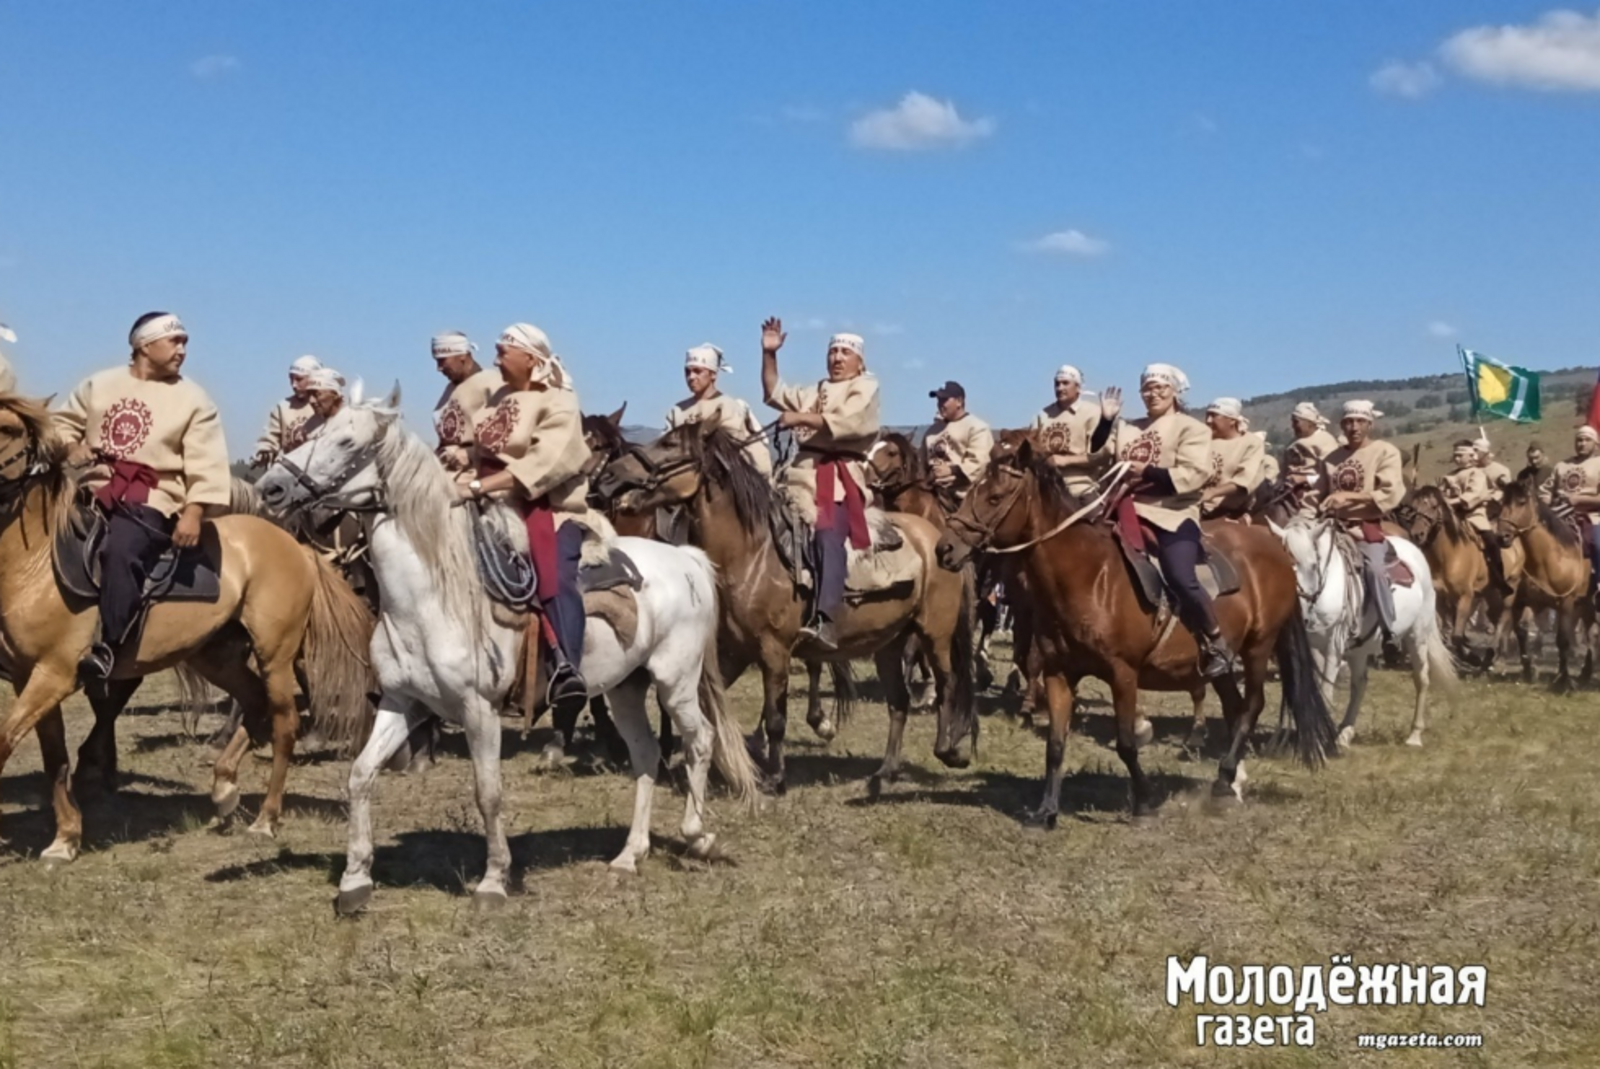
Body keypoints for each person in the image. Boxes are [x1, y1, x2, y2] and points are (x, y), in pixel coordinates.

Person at [54, 312, 231, 679]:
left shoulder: (194, 400)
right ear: (144, 346)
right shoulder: (99, 385)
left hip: (152, 497)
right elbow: (60, 425)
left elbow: (207, 462)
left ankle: (109, 647)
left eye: (185, 342)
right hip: (88, 488)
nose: (182, 349)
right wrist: (70, 448)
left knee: (121, 550)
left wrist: (194, 512)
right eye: (175, 341)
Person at [460, 323, 592, 713]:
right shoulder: (497, 396)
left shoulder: (560, 402)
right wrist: (464, 460)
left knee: (555, 575)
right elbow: (486, 448)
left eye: (503, 352)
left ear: (530, 359)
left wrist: (479, 487)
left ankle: (565, 666)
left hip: (547, 507)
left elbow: (544, 463)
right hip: (489, 502)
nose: (496, 359)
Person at [1093, 364, 1235, 677]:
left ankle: (1217, 640)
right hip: (1124, 509)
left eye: (1160, 388)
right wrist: (1106, 420)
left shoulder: (1191, 428)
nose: (1153, 394)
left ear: (1174, 392)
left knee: (1180, 574)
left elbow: (1194, 474)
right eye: (1147, 388)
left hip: (1172, 512)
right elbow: (1096, 453)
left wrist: (1146, 472)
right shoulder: (1128, 427)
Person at [761, 317, 880, 650]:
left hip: (838, 477)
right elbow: (773, 392)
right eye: (833, 352)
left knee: (828, 534)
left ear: (859, 360)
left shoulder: (866, 386)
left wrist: (799, 417)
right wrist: (769, 354)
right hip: (798, 475)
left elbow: (849, 421)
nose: (837, 358)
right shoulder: (814, 390)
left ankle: (827, 619)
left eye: (845, 352)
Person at [1316, 401, 1406, 634]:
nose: (1354, 427)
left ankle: (1389, 630)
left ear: (1370, 424)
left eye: (1360, 422)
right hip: (1330, 527)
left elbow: (1390, 492)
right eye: (1348, 422)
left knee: (1375, 570)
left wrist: (1349, 497)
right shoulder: (1330, 458)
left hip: (1365, 527)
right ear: (1342, 425)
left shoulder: (1385, 452)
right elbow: (1316, 495)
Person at [665, 343, 772, 478]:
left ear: (713, 375)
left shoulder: (730, 407)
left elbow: (730, 452)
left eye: (697, 371)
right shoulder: (677, 411)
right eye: (687, 371)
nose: (691, 377)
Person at [1031, 364, 1108, 498]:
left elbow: (1100, 456)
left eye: (1065, 383)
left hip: (1079, 487)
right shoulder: (1043, 415)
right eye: (1057, 384)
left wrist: (1065, 460)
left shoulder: (1092, 413)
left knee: (1096, 518)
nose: (1060, 388)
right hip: (1045, 487)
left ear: (1078, 387)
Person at [432, 331, 502, 473]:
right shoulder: (450, 389)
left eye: (442, 360)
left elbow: (508, 435)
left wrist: (470, 453)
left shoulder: (492, 382)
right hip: (447, 469)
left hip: (480, 470)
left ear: (462, 356)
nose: (438, 368)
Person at [1541, 425, 1600, 594]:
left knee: (1598, 544)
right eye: (1579, 440)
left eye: (1587, 440)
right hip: (1560, 516)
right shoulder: (1562, 465)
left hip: (1592, 516)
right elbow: (1545, 490)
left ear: (1596, 444)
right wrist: (1545, 500)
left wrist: (1579, 499)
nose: (1582, 443)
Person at [1440, 438, 1505, 592]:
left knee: (1491, 542)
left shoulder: (1477, 474)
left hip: (1474, 516)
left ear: (1470, 456)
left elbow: (1473, 495)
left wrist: (1452, 502)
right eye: (1455, 455)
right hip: (1452, 516)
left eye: (1460, 455)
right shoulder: (1448, 475)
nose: (1456, 459)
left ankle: (1498, 577)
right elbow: (1441, 493)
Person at [923, 380, 994, 508]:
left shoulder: (977, 427)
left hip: (964, 499)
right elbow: (921, 462)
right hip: (932, 493)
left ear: (959, 401)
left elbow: (979, 463)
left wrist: (951, 471)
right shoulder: (931, 432)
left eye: (944, 400)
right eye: (938, 400)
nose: (940, 405)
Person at [250, 355, 323, 467]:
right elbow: (270, 438)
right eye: (291, 379)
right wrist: (263, 452)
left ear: (314, 379)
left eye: (299, 379)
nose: (294, 385)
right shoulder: (282, 408)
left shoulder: (325, 406)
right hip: (288, 473)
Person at [1200, 397, 1265, 520]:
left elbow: (1244, 480)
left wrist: (1212, 492)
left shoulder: (1251, 443)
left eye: (1214, 416)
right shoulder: (1202, 440)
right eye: (1207, 415)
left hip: (1230, 511)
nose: (1208, 420)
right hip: (1195, 506)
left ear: (1231, 420)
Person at [1281, 401, 1342, 516]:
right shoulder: (1292, 443)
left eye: (1296, 422)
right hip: (1287, 490)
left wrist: (1305, 479)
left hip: (1314, 493)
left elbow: (1332, 475)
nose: (1293, 426)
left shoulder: (1326, 441)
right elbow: (1283, 470)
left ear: (1309, 423)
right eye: (1292, 422)